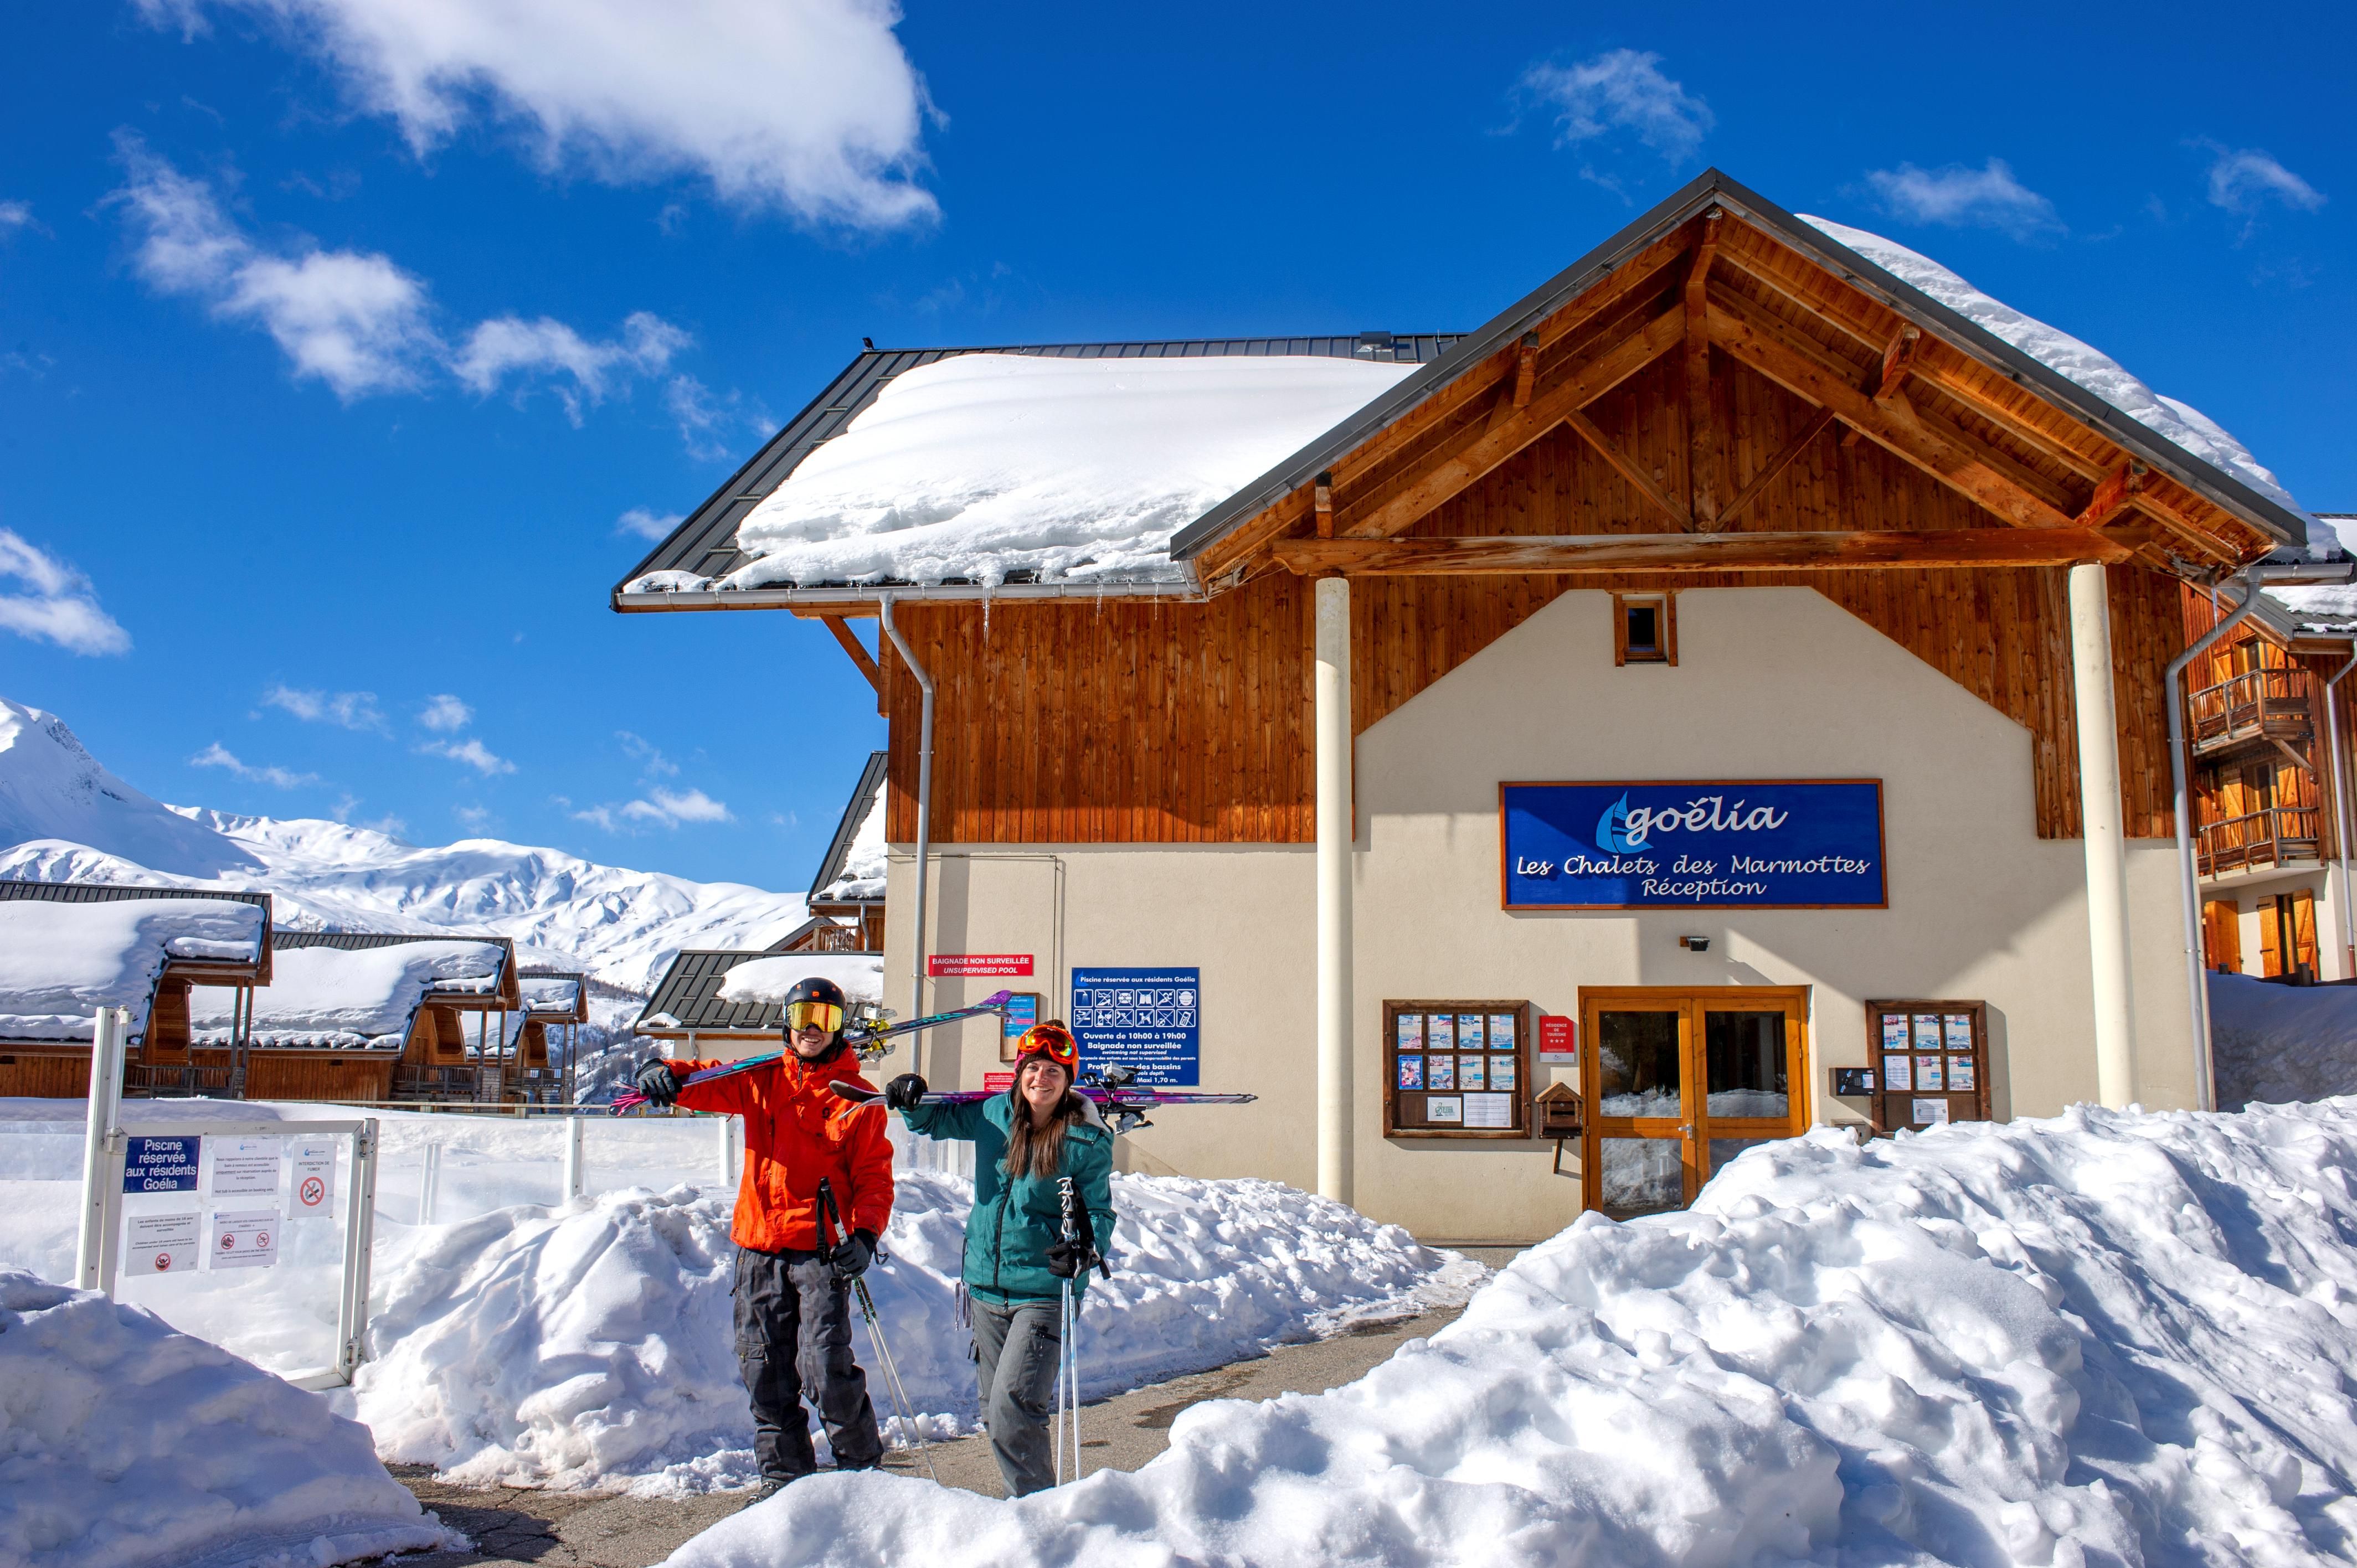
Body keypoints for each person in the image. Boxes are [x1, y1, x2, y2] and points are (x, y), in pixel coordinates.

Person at [632, 975, 892, 1495]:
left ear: (840, 1029)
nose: (812, 1030)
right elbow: (705, 1079)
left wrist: (864, 1235)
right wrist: (662, 1072)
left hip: (821, 1254)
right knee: (765, 1374)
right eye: (803, 1019)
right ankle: (785, 1487)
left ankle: (863, 1483)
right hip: (759, 1251)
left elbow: (873, 1176)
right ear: (787, 1024)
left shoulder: (856, 1097)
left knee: (827, 1372)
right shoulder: (760, 1078)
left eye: (825, 1021)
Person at [882, 1020, 1116, 1497]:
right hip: (986, 1289)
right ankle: (1030, 1506)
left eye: (1053, 1069)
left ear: (1069, 1077)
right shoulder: (992, 1114)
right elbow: (934, 1120)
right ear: (1019, 1073)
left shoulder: (1085, 1140)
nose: (1041, 1078)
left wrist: (1086, 1250)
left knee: (1013, 1407)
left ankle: (1038, 1516)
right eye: (1033, 1068)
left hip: (1045, 1292)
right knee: (994, 1411)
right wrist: (911, 1097)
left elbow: (1099, 1212)